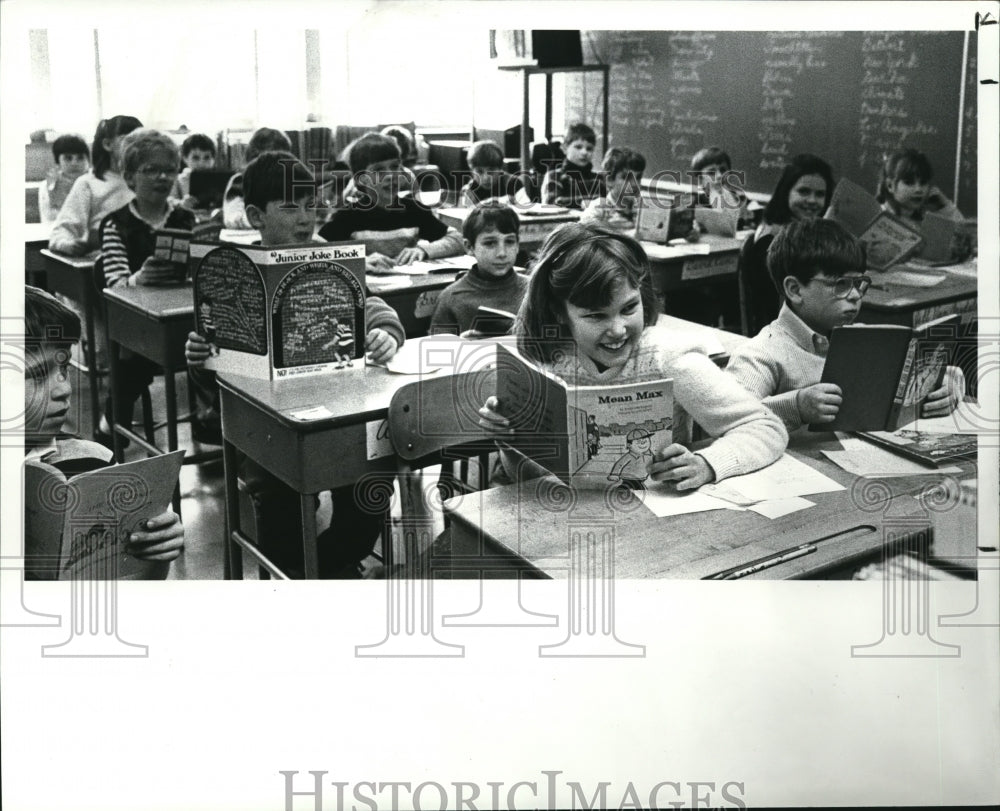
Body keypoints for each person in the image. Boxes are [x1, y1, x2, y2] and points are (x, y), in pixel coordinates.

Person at [185, 151, 405, 578]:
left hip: (336, 413)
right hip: (267, 427)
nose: (306, 218)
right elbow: (211, 372)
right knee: (279, 507)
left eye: (311, 206)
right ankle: (299, 579)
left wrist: (385, 332)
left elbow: (374, 306)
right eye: (290, 207)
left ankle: (325, 569)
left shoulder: (329, 258)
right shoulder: (235, 272)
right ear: (255, 216)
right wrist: (198, 359)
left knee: (371, 490)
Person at [478, 222, 787, 489]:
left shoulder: (668, 358)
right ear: (559, 312)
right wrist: (508, 438)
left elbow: (765, 427)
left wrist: (708, 464)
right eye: (596, 316)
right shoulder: (540, 360)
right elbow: (523, 475)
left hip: (654, 518)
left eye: (629, 308)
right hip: (559, 516)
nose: (618, 329)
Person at [725, 218, 965, 433]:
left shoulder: (861, 340)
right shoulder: (761, 353)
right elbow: (729, 416)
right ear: (795, 290)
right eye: (840, 284)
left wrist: (950, 384)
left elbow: (930, 373)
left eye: (859, 283)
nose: (855, 296)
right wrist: (796, 406)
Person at [22, 285, 184, 579]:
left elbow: (133, 592)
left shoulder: (92, 465)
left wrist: (156, 554)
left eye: (64, 369)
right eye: (36, 374)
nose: (64, 389)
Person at [94, 129, 196, 449]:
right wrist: (141, 277)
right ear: (129, 177)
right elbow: (117, 287)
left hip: (182, 318)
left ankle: (212, 420)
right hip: (136, 325)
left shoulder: (185, 218)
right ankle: (114, 419)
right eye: (150, 170)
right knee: (133, 363)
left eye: (169, 169)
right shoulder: (116, 225)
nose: (162, 177)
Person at [319, 132, 463, 272]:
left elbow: (458, 240)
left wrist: (424, 250)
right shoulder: (347, 216)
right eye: (379, 170)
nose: (390, 175)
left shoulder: (415, 210)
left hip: (409, 289)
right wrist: (358, 261)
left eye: (395, 167)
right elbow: (315, 253)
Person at [743, 153, 835, 333]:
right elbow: (774, 304)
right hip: (781, 331)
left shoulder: (805, 232)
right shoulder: (770, 240)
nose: (812, 201)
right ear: (786, 191)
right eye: (803, 191)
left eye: (820, 194)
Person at [48, 115, 143, 256]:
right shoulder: (88, 183)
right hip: (104, 262)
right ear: (108, 144)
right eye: (128, 140)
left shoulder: (148, 181)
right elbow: (62, 230)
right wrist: (69, 244)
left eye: (142, 141)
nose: (136, 147)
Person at [430, 201, 527, 336]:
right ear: (469, 247)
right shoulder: (452, 298)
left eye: (509, 242)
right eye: (490, 243)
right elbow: (438, 351)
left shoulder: (534, 289)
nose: (502, 253)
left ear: (517, 245)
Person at [221, 127, 293, 229]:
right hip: (249, 239)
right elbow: (233, 219)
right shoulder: (240, 181)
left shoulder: (288, 182)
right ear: (252, 160)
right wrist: (266, 220)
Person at [876, 148, 962, 224]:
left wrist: (945, 205)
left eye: (923, 183)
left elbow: (964, 233)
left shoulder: (925, 220)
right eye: (909, 182)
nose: (918, 189)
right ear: (890, 185)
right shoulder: (875, 215)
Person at [580, 146, 646, 228]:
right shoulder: (598, 208)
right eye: (626, 178)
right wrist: (607, 227)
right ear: (610, 180)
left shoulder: (642, 208)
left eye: (638, 177)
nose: (634, 184)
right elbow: (581, 232)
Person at [542, 122, 604, 208]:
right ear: (564, 148)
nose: (584, 152)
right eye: (578, 147)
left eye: (589, 149)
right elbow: (552, 204)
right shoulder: (554, 176)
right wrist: (587, 203)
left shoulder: (598, 179)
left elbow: (608, 203)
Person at [690, 145, 749, 225]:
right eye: (711, 173)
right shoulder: (694, 203)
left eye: (723, 170)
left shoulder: (740, 198)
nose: (719, 176)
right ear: (700, 178)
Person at [38, 134, 91, 223]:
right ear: (58, 161)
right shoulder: (48, 185)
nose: (74, 163)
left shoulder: (96, 182)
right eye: (68, 158)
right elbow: (50, 218)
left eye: (80, 158)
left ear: (88, 161)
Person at [458, 140, 522, 207]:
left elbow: (529, 212)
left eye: (491, 171)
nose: (486, 177)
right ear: (471, 172)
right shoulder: (468, 191)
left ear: (500, 169)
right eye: (480, 172)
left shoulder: (514, 183)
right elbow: (463, 216)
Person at [171, 132, 217, 208]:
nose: (202, 163)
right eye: (196, 158)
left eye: (207, 157)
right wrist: (180, 203)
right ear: (185, 159)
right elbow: (168, 201)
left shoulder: (220, 180)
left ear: (213, 159)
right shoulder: (177, 180)